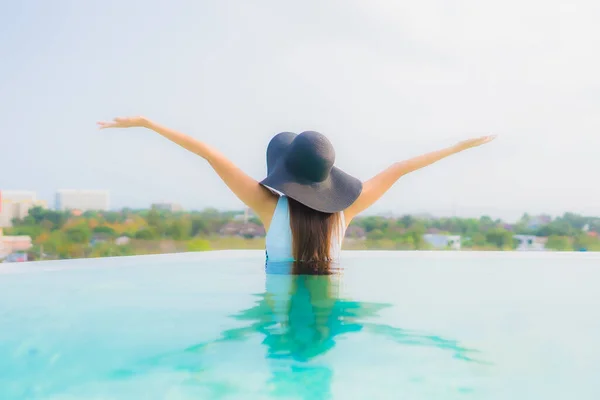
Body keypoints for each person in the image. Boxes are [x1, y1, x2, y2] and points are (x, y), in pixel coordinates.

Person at [97, 116, 496, 273]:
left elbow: (208, 154)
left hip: (278, 315)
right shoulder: (347, 210)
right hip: (329, 312)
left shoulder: (267, 206)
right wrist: (462, 145)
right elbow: (401, 168)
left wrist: (146, 124)